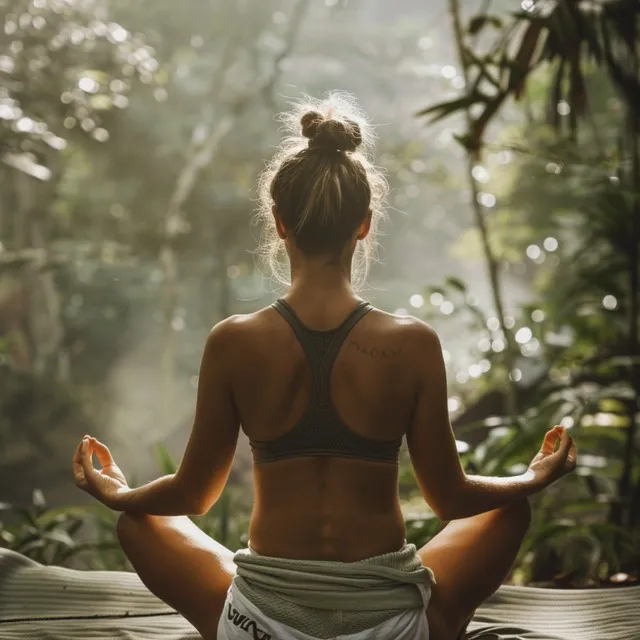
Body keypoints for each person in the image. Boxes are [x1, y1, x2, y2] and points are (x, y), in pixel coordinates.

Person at [73, 93, 578, 640]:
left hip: (259, 625)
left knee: (138, 524)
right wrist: (531, 477)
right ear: (363, 225)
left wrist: (118, 494)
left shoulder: (233, 341)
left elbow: (193, 495)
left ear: (279, 222)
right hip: (392, 627)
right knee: (510, 510)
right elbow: (451, 498)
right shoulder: (412, 343)